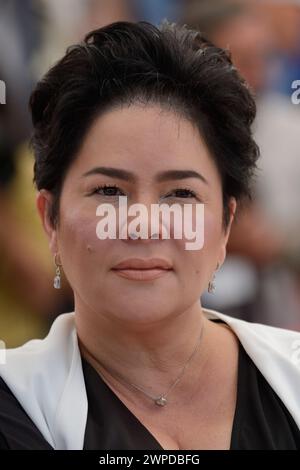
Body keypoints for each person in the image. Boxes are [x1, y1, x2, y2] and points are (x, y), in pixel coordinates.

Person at [0, 20, 299, 450]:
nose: (143, 224)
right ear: (51, 219)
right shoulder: (17, 402)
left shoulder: (291, 378)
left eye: (180, 193)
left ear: (225, 226)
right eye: (108, 191)